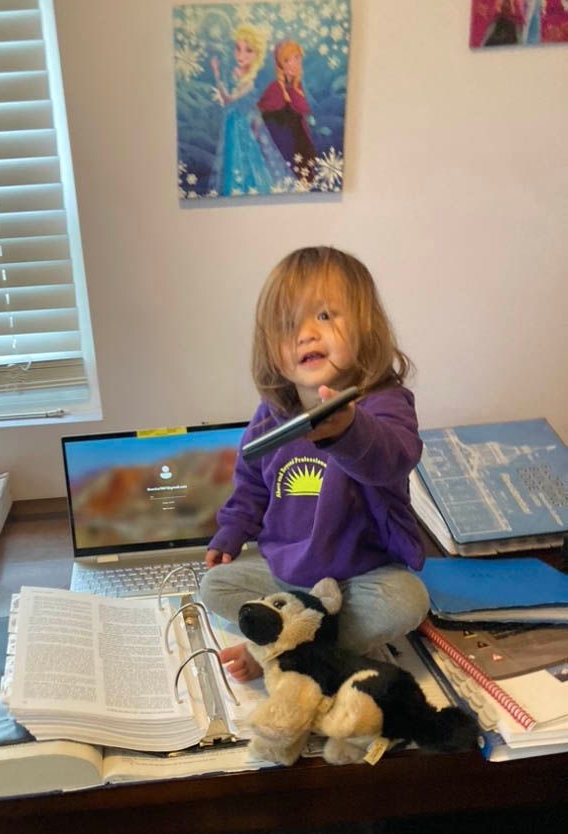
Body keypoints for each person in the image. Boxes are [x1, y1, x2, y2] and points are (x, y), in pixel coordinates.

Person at [200, 246, 430, 682]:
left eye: (324, 316)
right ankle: (310, 637)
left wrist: (347, 430)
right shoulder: (271, 414)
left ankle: (280, 649)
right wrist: (232, 530)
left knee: (408, 601)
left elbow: (394, 459)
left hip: (358, 579)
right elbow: (251, 484)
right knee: (214, 586)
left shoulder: (384, 403)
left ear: (365, 327)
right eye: (288, 325)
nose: (306, 333)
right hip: (288, 577)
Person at [209, 24, 293, 196]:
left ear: (257, 55)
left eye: (248, 51)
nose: (241, 55)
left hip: (243, 125)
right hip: (236, 122)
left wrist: (216, 75)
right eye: (238, 49)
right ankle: (236, 189)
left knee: (246, 158)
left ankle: (246, 189)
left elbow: (228, 100)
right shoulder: (240, 75)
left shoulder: (249, 82)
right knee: (233, 157)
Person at [258, 39, 318, 185]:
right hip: (285, 153)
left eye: (298, 58)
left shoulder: (297, 87)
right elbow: (266, 125)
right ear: (281, 64)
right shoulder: (275, 89)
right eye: (289, 59)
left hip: (301, 150)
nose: (296, 63)